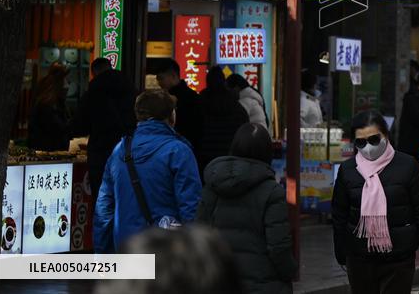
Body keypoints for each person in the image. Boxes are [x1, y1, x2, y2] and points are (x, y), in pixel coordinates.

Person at [333, 111, 419, 294]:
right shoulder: (348, 170)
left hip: (398, 259)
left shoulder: (407, 165)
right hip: (359, 259)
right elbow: (339, 216)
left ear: (386, 135)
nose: (368, 147)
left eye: (374, 139)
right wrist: (341, 254)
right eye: (361, 142)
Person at [93, 90, 202, 253]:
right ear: (171, 116)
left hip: (126, 247)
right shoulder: (179, 151)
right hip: (167, 251)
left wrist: (101, 256)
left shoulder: (120, 151)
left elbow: (104, 209)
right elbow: (191, 208)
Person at [197, 123, 297, 293]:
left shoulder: (213, 184)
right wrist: (289, 272)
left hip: (222, 279)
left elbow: (200, 231)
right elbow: (278, 245)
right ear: (267, 152)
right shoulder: (272, 192)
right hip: (263, 282)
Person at [94, 225, 243, 294]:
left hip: (135, 248)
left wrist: (100, 258)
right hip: (180, 254)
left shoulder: (115, 161)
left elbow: (103, 213)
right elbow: (189, 202)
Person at [71, 57, 136, 201]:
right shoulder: (130, 88)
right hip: (128, 151)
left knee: (102, 200)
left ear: (94, 72)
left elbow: (80, 125)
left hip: (101, 153)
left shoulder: (94, 91)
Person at [198, 69, 249, 179]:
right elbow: (245, 130)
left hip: (205, 161)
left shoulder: (199, 104)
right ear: (224, 81)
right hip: (231, 160)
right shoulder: (237, 107)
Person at [155, 58, 203, 151]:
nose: (159, 83)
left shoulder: (170, 99)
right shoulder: (194, 97)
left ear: (173, 76)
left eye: (161, 78)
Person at [27, 63, 70, 151]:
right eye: (65, 80)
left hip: (45, 149)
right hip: (48, 150)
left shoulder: (44, 91)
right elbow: (58, 127)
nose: (67, 85)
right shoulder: (48, 103)